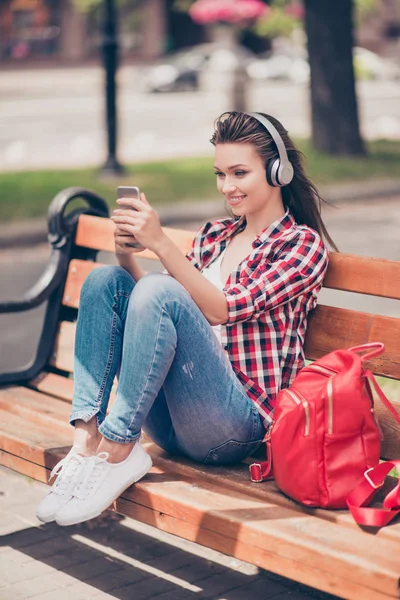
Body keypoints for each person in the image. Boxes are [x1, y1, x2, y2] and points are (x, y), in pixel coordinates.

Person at [36, 111, 335, 527]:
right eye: (219, 174)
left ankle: (118, 447)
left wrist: (160, 243)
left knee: (160, 288)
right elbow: (153, 310)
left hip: (236, 425)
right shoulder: (216, 236)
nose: (227, 187)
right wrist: (127, 253)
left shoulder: (300, 246)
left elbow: (221, 309)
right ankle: (87, 443)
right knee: (107, 280)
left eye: (239, 173)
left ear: (277, 171)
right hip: (171, 421)